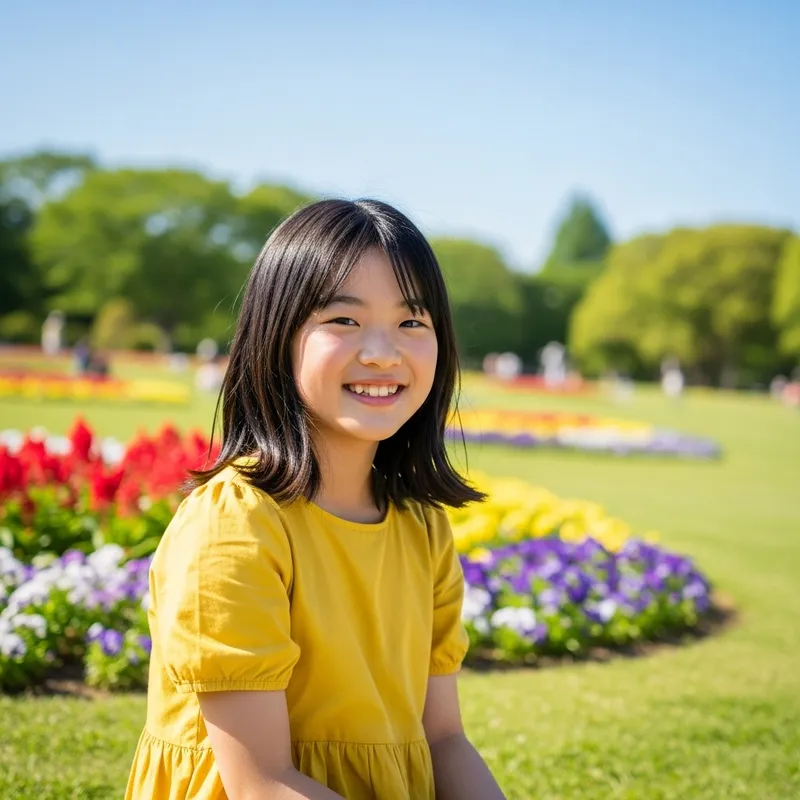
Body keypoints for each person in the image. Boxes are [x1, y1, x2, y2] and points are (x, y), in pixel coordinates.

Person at [125, 199, 507, 800]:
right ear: (277, 337)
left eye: (412, 322)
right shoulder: (235, 524)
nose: (383, 352)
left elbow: (445, 742)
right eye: (344, 321)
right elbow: (262, 783)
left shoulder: (421, 526)